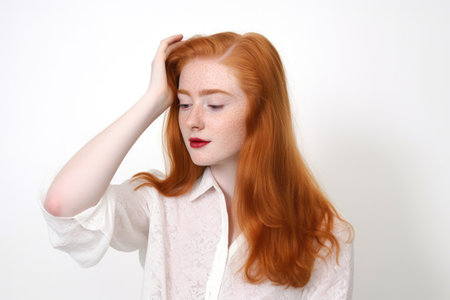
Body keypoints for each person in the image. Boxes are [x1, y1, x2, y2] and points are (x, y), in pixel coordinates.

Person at [42, 32, 354, 299]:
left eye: (214, 105)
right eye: (184, 104)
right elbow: (63, 205)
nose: (192, 121)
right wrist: (152, 100)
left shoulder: (323, 235)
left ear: (261, 113)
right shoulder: (160, 202)